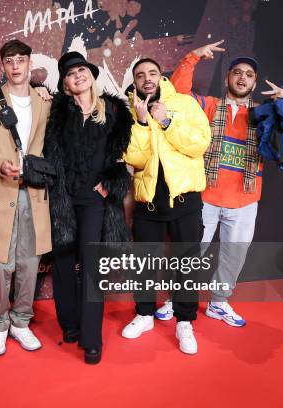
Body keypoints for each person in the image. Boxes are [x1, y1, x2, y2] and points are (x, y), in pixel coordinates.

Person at [153, 41, 283, 326]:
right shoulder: (208, 106)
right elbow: (177, 96)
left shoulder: (265, 114)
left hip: (244, 201)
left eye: (249, 74)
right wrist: (193, 57)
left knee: (232, 257)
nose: (242, 77)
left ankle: (219, 303)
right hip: (205, 198)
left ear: (255, 82)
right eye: (237, 72)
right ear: (227, 77)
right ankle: (177, 299)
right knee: (190, 253)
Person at [44, 52, 132, 364]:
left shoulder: (114, 110)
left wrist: (111, 182)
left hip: (95, 201)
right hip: (64, 198)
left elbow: (123, 155)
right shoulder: (57, 111)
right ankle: (70, 325)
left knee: (92, 265)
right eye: (70, 74)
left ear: (91, 75)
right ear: (65, 84)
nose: (77, 76)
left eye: (82, 70)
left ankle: (92, 339)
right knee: (65, 263)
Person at [123, 58, 211, 355]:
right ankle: (145, 314)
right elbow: (133, 158)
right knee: (143, 264)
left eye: (151, 73)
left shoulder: (184, 104)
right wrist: (140, 122)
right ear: (134, 81)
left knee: (187, 264)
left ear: (161, 76)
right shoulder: (131, 111)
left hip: (185, 199)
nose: (146, 78)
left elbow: (200, 143)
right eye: (140, 75)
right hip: (149, 201)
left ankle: (184, 320)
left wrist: (167, 122)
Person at [0, 39, 52, 356]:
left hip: (34, 193)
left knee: (30, 263)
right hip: (0, 189)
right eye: (9, 60)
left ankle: (21, 321)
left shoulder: (44, 102)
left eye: (21, 59)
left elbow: (49, 147)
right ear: (3, 66)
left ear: (30, 63)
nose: (16, 65)